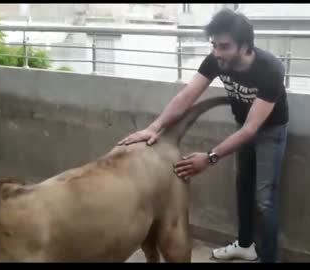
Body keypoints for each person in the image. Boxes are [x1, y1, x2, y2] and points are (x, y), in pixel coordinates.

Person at [118, 8, 289, 263]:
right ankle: (244, 245)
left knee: (264, 199)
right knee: (243, 187)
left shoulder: (270, 69)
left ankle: (269, 258)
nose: (217, 52)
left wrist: (209, 157)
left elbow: (252, 129)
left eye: (224, 46)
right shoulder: (216, 61)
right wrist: (154, 127)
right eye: (214, 45)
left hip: (270, 131)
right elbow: (187, 96)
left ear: (245, 47)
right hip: (243, 125)